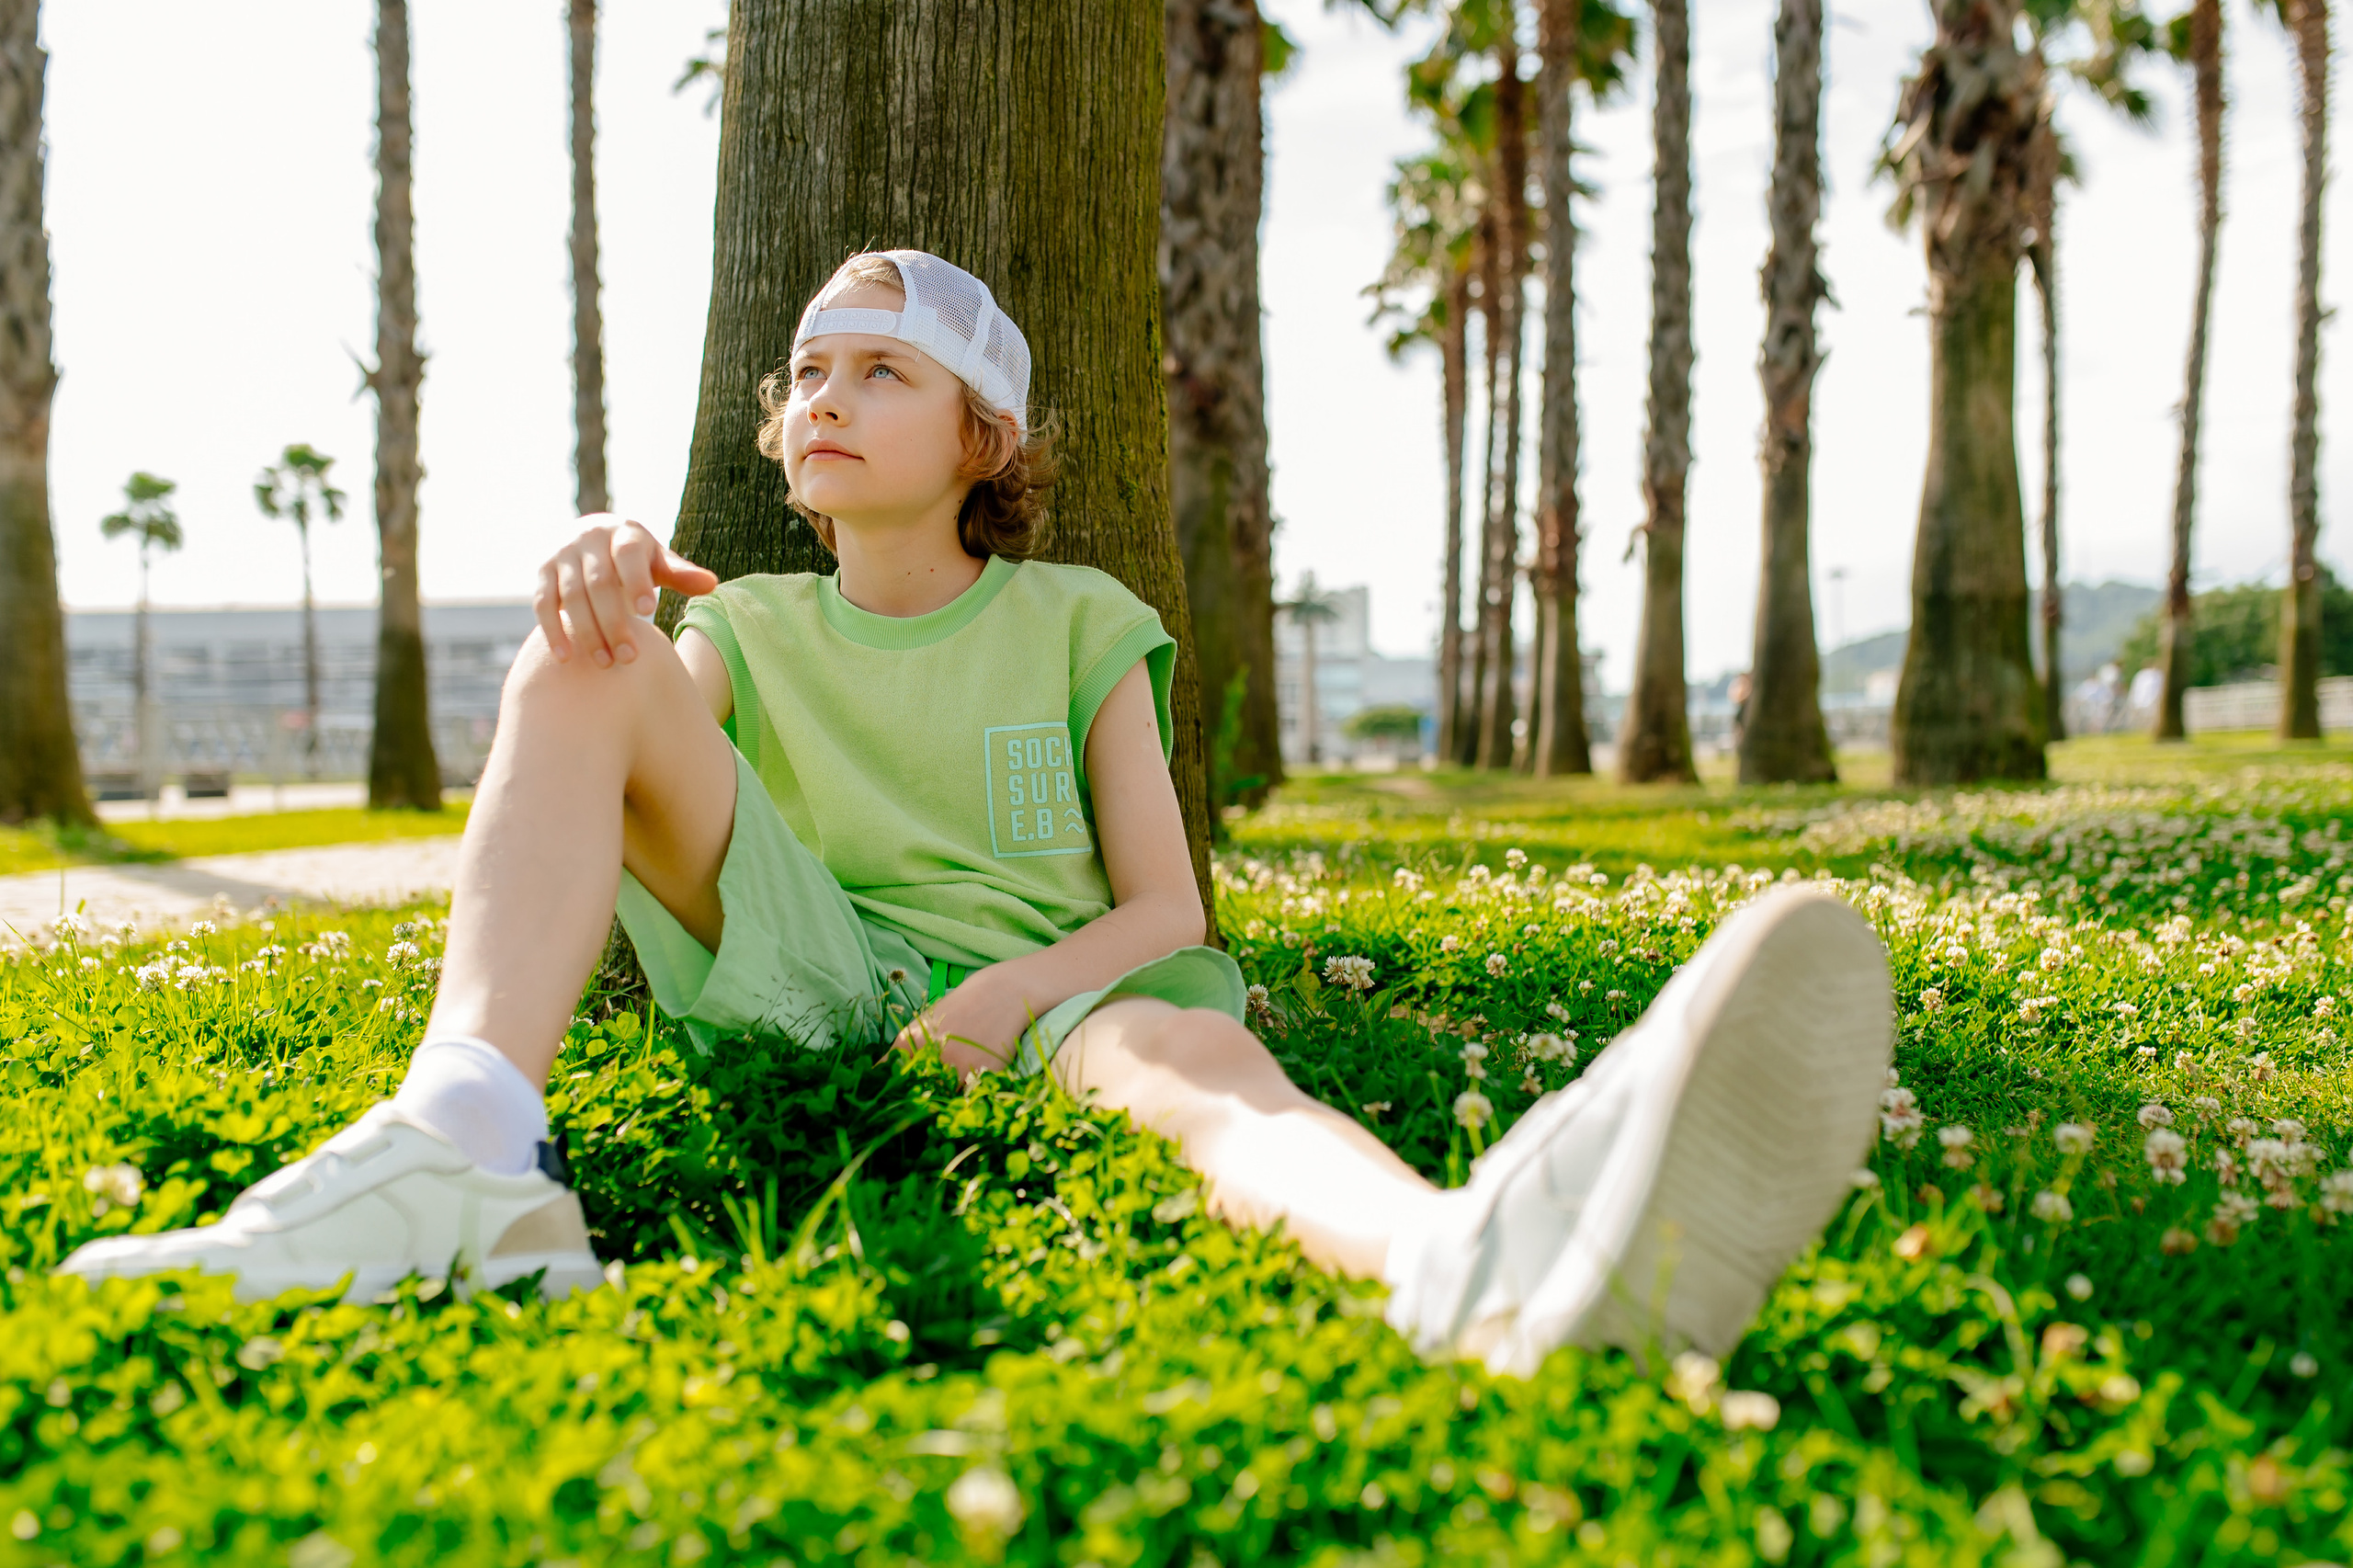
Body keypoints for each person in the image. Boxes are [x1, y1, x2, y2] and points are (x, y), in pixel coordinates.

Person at [60, 252, 1893, 1376]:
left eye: (883, 369)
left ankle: (1462, 1262)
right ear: (776, 441)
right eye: (806, 374)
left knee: (1194, 1061)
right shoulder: (747, 629)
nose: (826, 396)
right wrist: (603, 577)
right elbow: (626, 740)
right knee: (581, 651)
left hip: (1060, 987)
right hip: (809, 964)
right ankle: (464, 1144)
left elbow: (1163, 904)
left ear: (981, 438)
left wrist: (1013, 999)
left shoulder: (1083, 620)